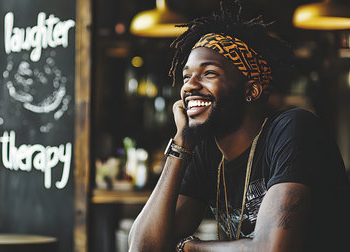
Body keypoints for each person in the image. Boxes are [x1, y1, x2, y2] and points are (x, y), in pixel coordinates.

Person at [128, 1, 350, 251]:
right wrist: (181, 143)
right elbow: (143, 247)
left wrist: (192, 247)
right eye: (186, 76)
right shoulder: (206, 153)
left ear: (251, 91)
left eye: (209, 73)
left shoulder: (293, 130)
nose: (190, 86)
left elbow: (271, 249)